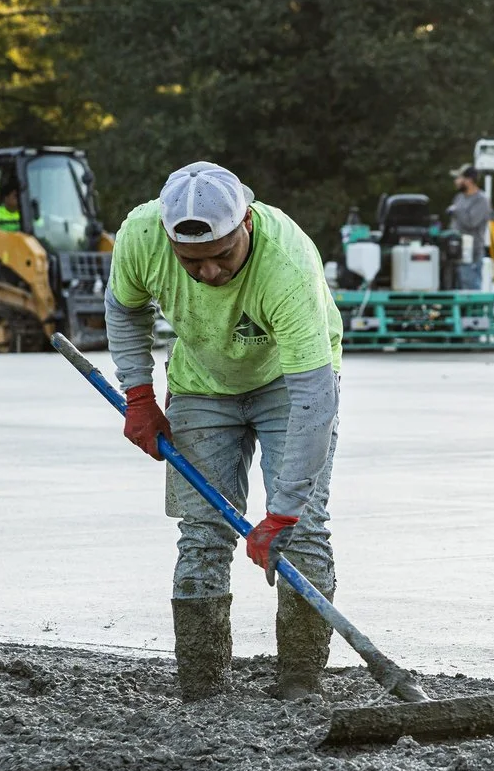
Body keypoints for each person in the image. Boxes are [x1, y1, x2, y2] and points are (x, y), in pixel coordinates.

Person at [105, 162, 344, 704]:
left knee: (303, 531)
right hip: (202, 385)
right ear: (169, 240)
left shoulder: (286, 266)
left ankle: (300, 680)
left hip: (290, 382)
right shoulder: (141, 236)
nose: (209, 273)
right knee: (202, 532)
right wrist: (138, 394)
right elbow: (125, 311)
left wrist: (280, 513)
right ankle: (203, 684)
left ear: (247, 226)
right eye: (193, 262)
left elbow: (313, 401)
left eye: (222, 256)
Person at [444, 166, 494, 292]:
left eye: (459, 178)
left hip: (472, 254)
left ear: (469, 180)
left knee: (470, 289)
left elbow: (472, 222)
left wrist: (456, 210)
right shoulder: (459, 198)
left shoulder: (481, 200)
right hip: (455, 254)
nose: (456, 182)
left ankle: (473, 312)